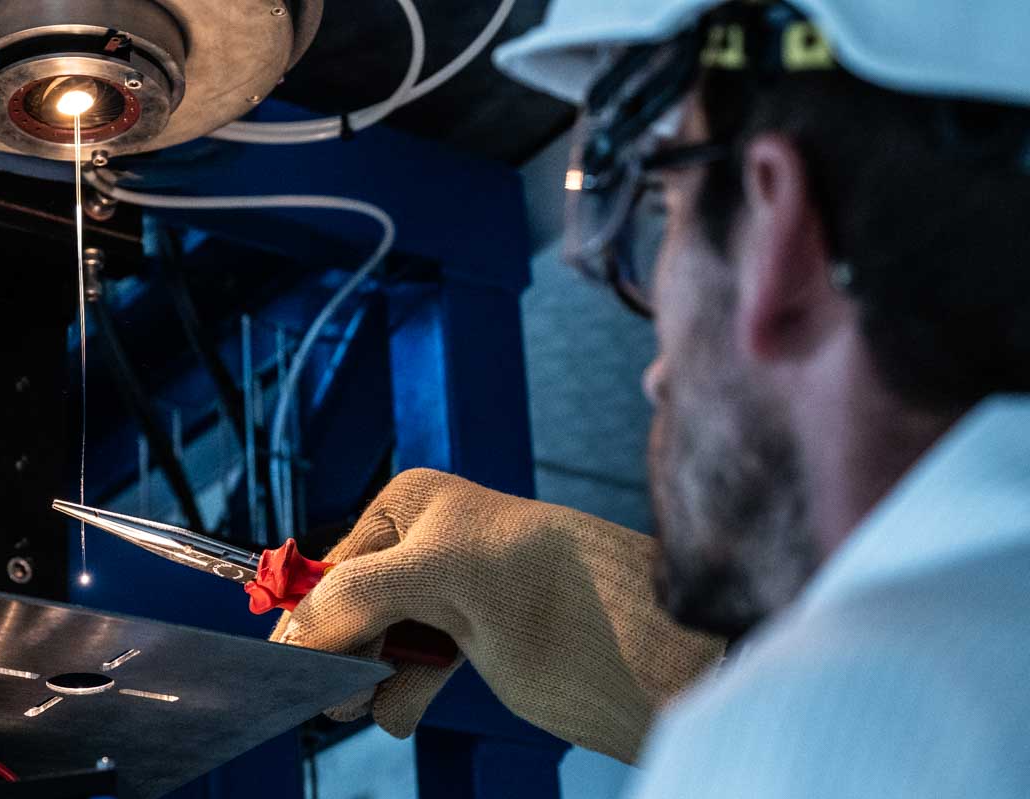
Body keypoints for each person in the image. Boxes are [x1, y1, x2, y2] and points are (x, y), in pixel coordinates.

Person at [272, 0, 1030, 794]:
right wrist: (585, 610)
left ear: (777, 226)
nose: (656, 374)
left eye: (665, 213)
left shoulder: (830, 717)